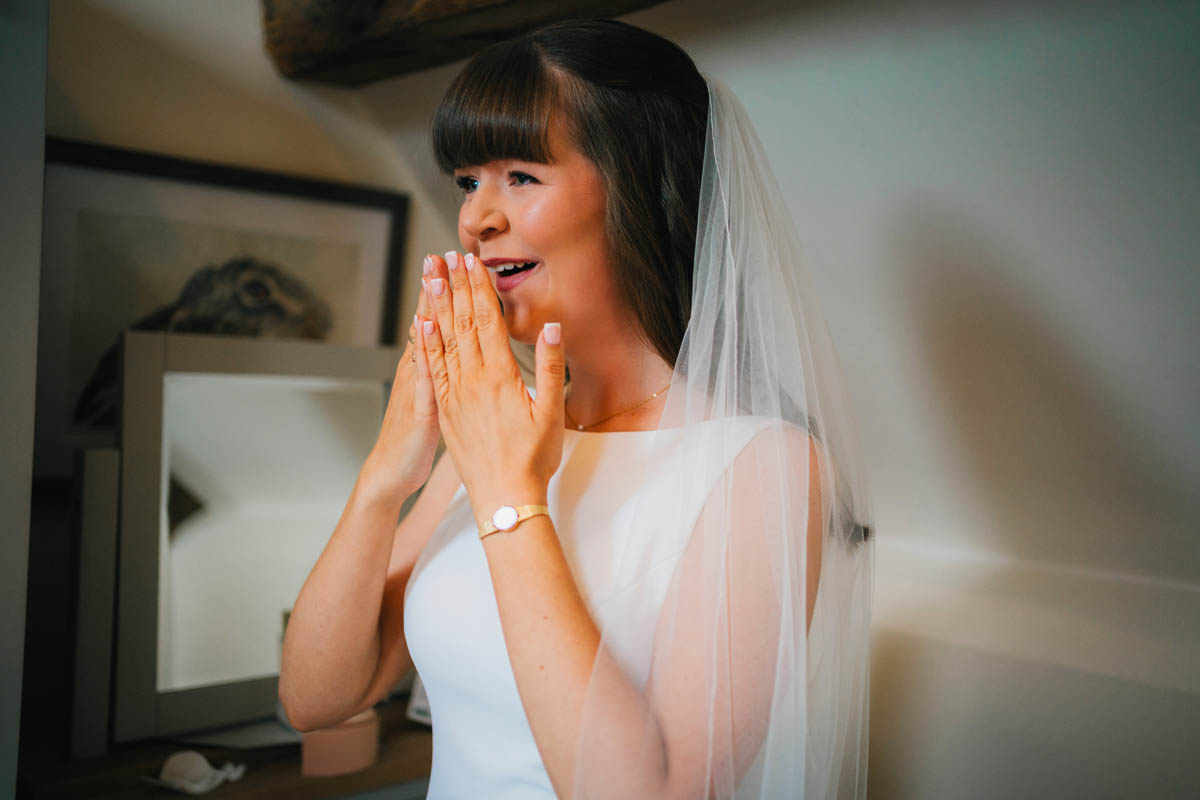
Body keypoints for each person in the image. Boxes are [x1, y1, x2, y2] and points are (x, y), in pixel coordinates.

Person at [279, 18, 873, 800]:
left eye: (519, 176)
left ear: (636, 183)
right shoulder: (498, 429)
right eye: (467, 182)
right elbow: (315, 699)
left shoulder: (767, 466)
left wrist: (508, 497)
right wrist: (385, 477)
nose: (475, 219)